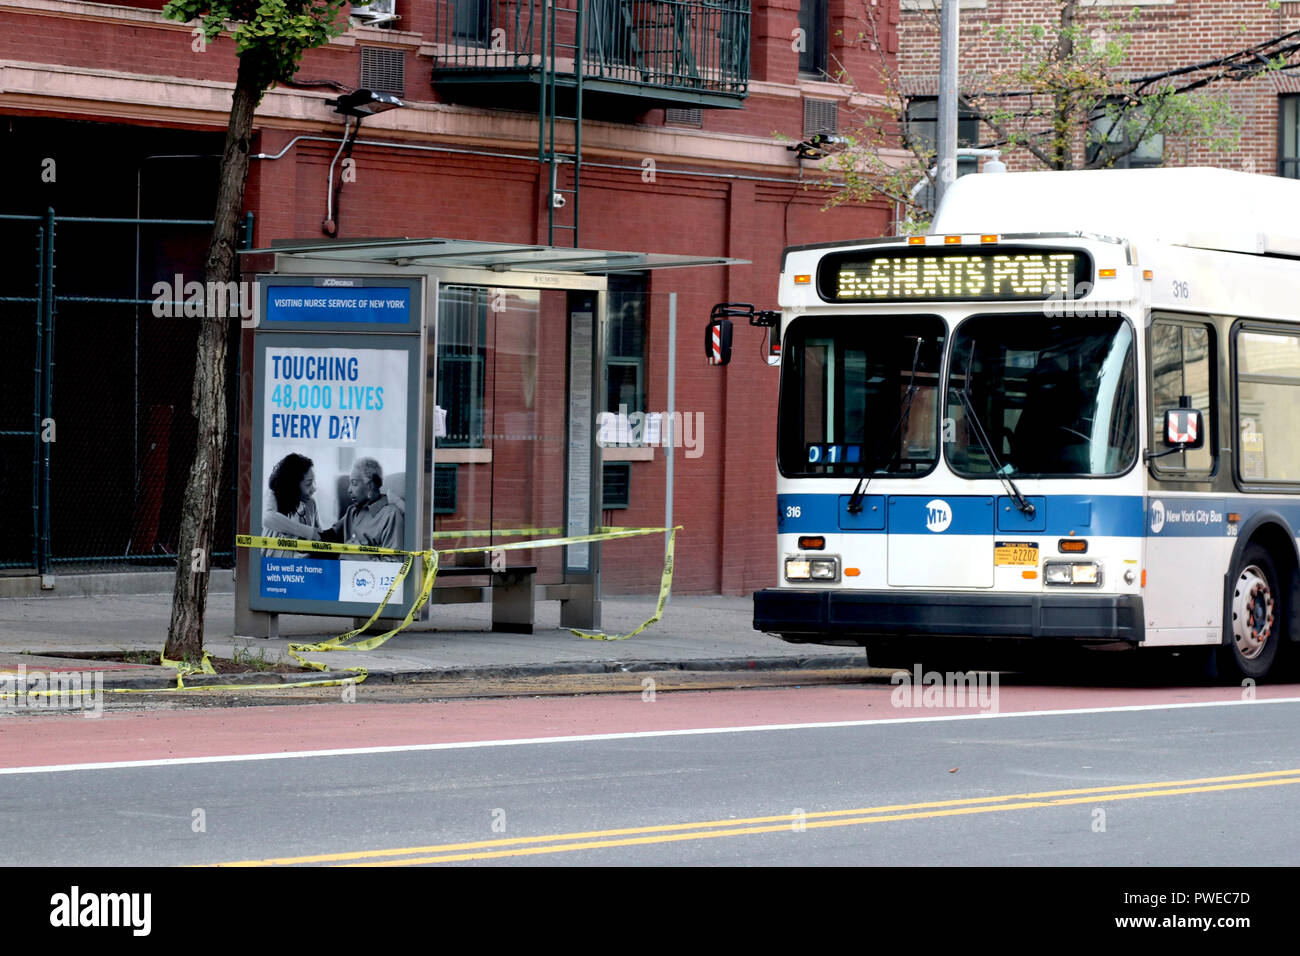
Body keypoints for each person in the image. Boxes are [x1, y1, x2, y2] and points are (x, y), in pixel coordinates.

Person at [321, 457, 404, 557]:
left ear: (370, 486)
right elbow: (329, 535)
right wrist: (304, 534)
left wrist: (360, 557)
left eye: (354, 483)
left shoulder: (391, 515)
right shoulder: (351, 511)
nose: (349, 490)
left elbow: (393, 562)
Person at [261, 453, 321, 558]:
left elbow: (319, 536)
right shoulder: (272, 495)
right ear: (293, 484)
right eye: (308, 484)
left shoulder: (311, 503)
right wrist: (308, 532)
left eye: (314, 482)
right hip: (274, 567)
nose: (314, 489)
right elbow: (267, 518)